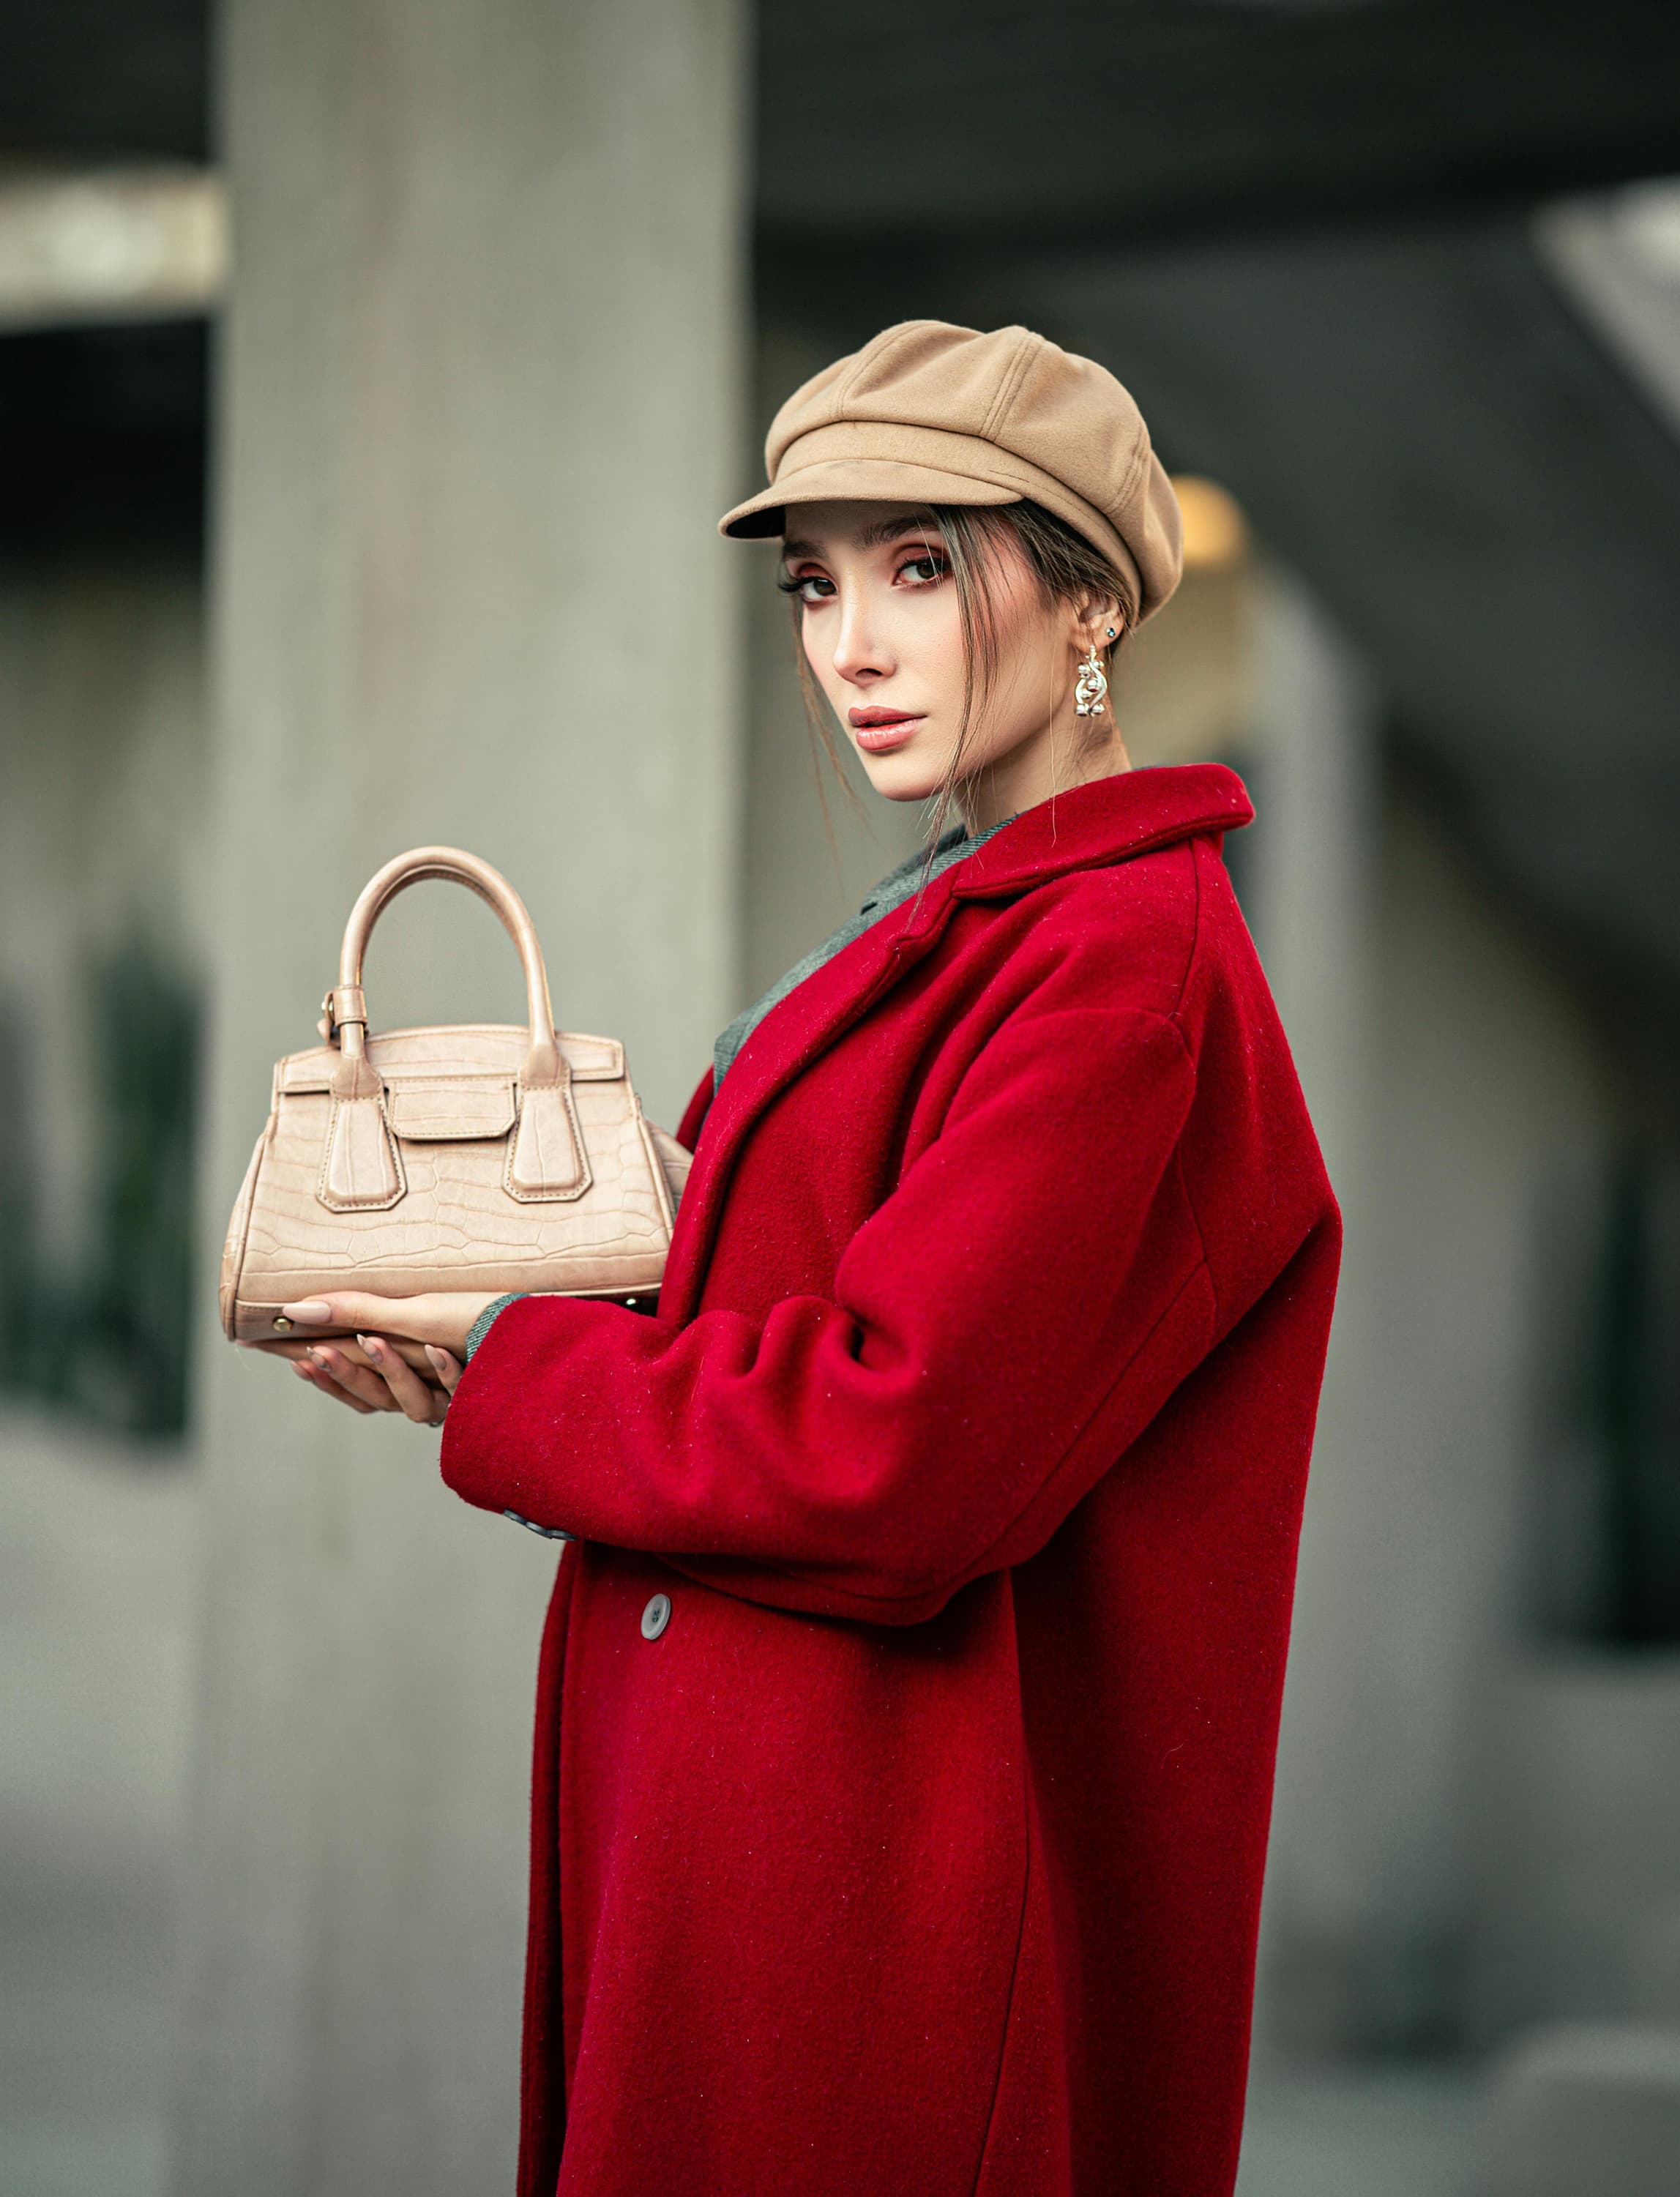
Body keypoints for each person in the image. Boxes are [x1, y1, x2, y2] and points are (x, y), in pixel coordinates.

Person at [269, 321, 1340, 2197]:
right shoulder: (954, 923)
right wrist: (479, 1353)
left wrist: (531, 1367)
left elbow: (898, 1445)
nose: (851, 643)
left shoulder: (1120, 963)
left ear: (1088, 597)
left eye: (919, 569)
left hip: (886, 1914)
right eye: (815, 583)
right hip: (758, 1854)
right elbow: (774, 1341)